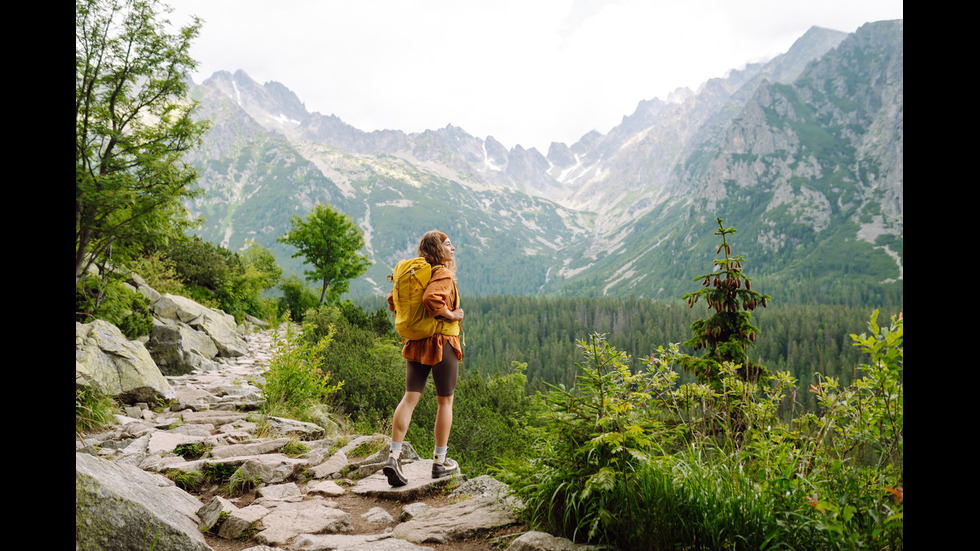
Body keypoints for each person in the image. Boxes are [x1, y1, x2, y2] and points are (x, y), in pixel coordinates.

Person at [382, 230, 464, 486]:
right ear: (438, 250)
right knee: (445, 403)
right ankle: (440, 463)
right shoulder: (442, 273)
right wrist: (451, 315)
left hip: (416, 343)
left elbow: (392, 301)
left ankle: (394, 455)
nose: (453, 249)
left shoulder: (414, 274)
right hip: (442, 343)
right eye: (448, 245)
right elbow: (431, 298)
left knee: (409, 398)